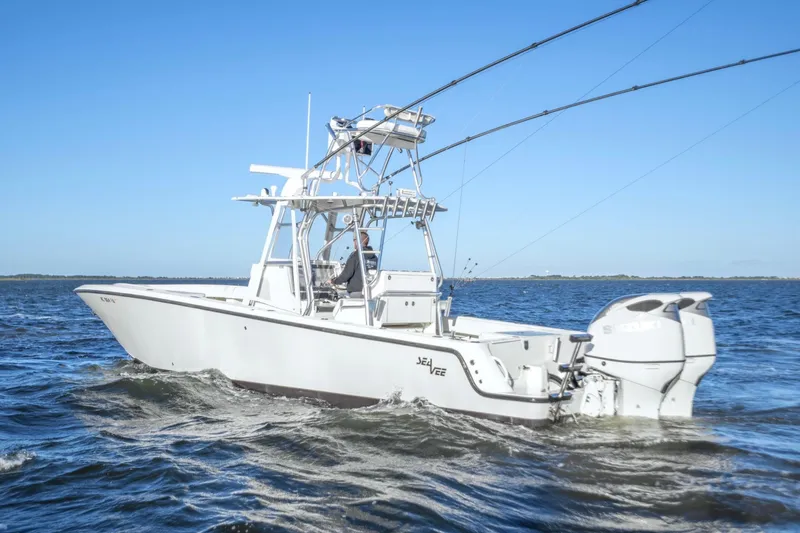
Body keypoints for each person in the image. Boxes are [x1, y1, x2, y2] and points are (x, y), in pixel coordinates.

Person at [329, 231, 378, 295]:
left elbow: (345, 275)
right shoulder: (375, 258)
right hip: (370, 293)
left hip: (355, 293)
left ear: (357, 241)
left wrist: (333, 281)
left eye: (354, 240)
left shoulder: (356, 256)